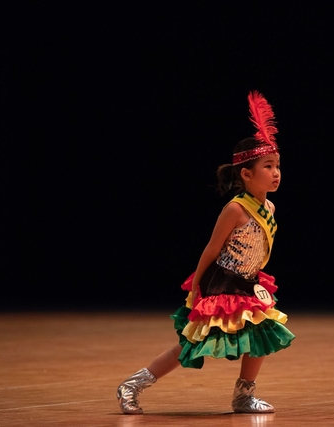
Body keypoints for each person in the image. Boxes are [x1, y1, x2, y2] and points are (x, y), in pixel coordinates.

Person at [116, 91, 295, 415]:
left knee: (262, 333)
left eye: (278, 166)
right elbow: (211, 249)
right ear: (246, 174)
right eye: (268, 166)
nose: (276, 172)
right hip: (222, 286)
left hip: (248, 283)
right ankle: (132, 385)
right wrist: (196, 289)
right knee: (192, 344)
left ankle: (243, 396)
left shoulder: (269, 207)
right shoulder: (235, 209)